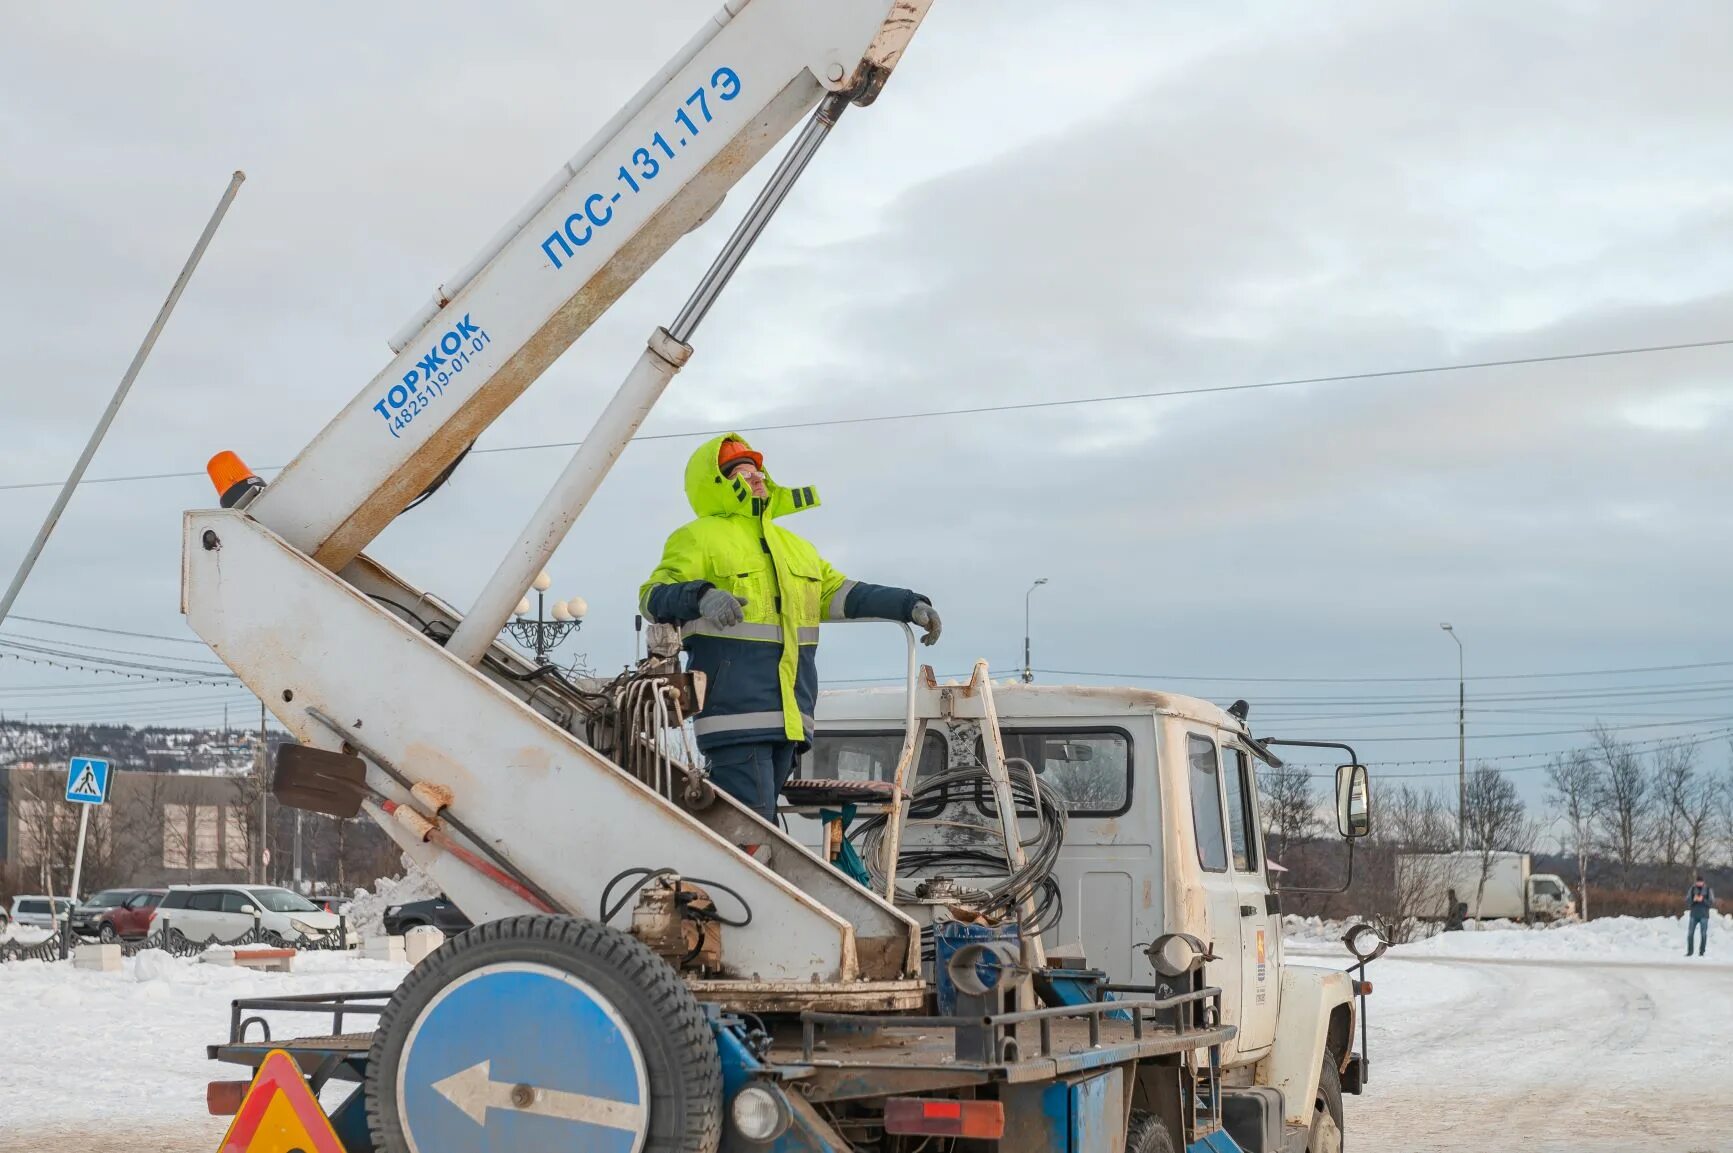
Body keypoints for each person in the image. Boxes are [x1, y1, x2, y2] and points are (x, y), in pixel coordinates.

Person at [640, 434, 940, 824]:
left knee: (760, 830)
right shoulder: (698, 537)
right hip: (735, 714)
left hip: (792, 717)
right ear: (717, 485)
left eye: (757, 470)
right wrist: (702, 596)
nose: (757, 477)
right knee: (755, 829)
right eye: (742, 472)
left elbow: (840, 592)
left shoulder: (795, 547)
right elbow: (652, 597)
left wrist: (908, 604)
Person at [1686, 873, 1715, 956]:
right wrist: (1694, 900)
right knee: (1690, 933)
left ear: (1703, 882)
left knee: (1703, 934)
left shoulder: (1708, 890)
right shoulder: (1692, 889)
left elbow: (1712, 902)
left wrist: (1703, 900)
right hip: (1693, 914)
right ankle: (1690, 951)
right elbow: (1687, 900)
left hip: (1704, 915)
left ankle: (1702, 952)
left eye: (1700, 882)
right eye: (1697, 882)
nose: (1699, 883)